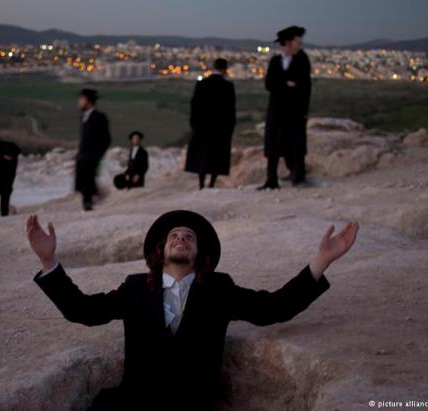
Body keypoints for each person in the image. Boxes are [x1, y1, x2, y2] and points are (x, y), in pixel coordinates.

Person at [26, 210, 359, 410]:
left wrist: (322, 260)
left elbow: (275, 307)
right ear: (161, 250)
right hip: (131, 404)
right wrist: (47, 260)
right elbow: (82, 310)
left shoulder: (219, 289)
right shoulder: (134, 287)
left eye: (189, 236)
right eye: (174, 235)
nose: (181, 238)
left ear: (201, 255)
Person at [258, 26, 312, 190]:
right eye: (297, 42)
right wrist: (287, 84)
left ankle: (298, 176)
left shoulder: (302, 59)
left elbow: (304, 86)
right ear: (288, 43)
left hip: (295, 110)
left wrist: (304, 110)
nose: (299, 45)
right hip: (276, 109)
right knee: (273, 144)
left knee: (295, 144)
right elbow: (269, 84)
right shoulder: (275, 61)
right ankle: (271, 180)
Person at [185, 58, 236, 190]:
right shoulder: (228, 86)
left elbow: (194, 105)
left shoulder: (202, 84)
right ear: (225, 69)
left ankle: (201, 184)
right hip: (220, 129)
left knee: (202, 155)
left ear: (213, 67)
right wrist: (230, 128)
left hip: (202, 127)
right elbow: (231, 110)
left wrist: (194, 123)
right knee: (217, 157)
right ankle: (212, 184)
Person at [75, 88, 111, 210]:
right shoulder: (84, 117)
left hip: (92, 157)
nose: (79, 102)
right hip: (83, 156)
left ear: (88, 101)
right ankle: (89, 203)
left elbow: (106, 139)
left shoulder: (99, 117)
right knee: (83, 183)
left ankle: (90, 205)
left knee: (88, 183)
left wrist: (96, 156)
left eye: (81, 99)